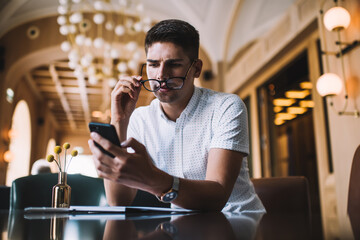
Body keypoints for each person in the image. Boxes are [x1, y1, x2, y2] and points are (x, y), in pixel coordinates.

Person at [88, 19, 265, 213]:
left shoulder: (226, 107)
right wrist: (119, 122)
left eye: (174, 64)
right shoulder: (140, 119)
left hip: (239, 221)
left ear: (196, 69)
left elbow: (217, 196)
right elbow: (118, 201)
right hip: (182, 226)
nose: (161, 75)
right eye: (153, 64)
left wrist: (153, 178)